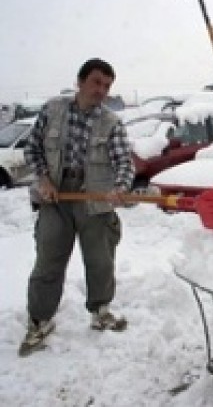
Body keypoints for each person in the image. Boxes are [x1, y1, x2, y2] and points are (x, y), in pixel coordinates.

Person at [19, 58, 135, 356]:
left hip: (94, 200)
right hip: (55, 198)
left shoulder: (111, 122)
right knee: (49, 260)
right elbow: (32, 148)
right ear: (80, 81)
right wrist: (43, 180)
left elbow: (124, 162)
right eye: (96, 82)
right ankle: (40, 320)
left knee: (100, 260)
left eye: (107, 86)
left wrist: (119, 188)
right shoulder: (53, 110)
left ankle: (100, 312)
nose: (101, 90)